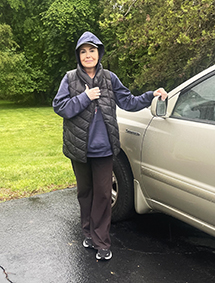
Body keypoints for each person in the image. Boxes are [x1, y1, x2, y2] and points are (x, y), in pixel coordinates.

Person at [52, 31, 167, 260]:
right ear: (78, 55)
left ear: (99, 53)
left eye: (91, 50)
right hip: (79, 149)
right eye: (83, 51)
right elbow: (59, 106)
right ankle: (87, 232)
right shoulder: (70, 79)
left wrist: (150, 96)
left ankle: (101, 241)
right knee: (85, 193)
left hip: (104, 149)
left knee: (104, 195)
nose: (88, 55)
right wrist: (85, 97)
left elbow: (128, 102)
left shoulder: (110, 78)